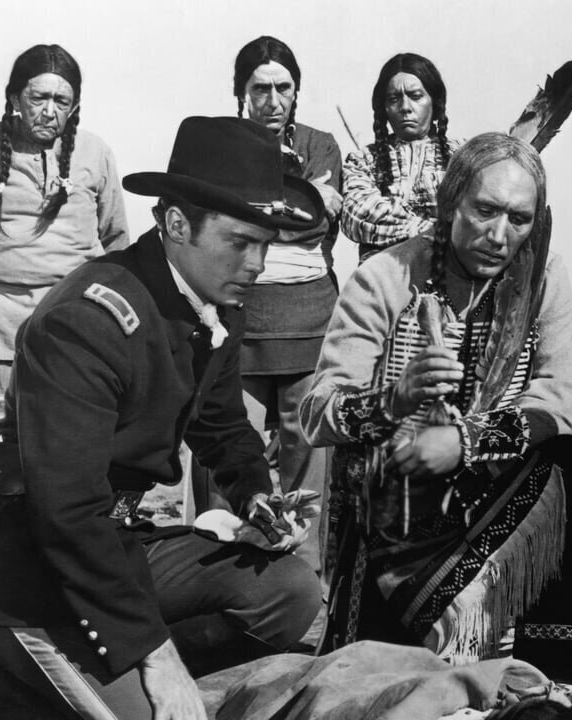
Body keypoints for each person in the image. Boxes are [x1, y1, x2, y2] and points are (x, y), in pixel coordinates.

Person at [0, 118, 324, 720]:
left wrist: (257, 498)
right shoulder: (87, 320)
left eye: (266, 245)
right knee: (152, 713)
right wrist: (156, 657)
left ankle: (45, 686)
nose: (258, 263)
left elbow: (219, 424)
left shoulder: (214, 302)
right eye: (241, 242)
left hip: (114, 546)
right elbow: (67, 512)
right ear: (176, 225)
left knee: (289, 593)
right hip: (31, 574)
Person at [301, 132, 572, 664]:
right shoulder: (385, 277)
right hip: (395, 515)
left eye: (519, 219)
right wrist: (393, 401)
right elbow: (318, 413)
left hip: (497, 504)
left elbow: (559, 399)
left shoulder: (543, 278)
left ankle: (546, 666)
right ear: (450, 201)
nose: (499, 235)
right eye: (484, 210)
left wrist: (465, 441)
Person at [0, 44, 129, 521]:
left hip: (74, 331)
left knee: (71, 453)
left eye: (62, 100)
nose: (49, 110)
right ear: (15, 98)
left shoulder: (95, 154)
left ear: (75, 106)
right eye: (39, 98)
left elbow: (118, 246)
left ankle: (63, 560)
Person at [229, 36, 343, 576]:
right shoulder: (223, 144)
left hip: (309, 315)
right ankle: (226, 572)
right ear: (241, 92)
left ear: (297, 91)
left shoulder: (321, 145)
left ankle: (303, 578)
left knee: (307, 451)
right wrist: (299, 201)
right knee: (235, 448)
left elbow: (318, 223)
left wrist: (259, 209)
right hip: (240, 315)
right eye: (260, 88)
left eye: (283, 87)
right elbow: (227, 224)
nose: (272, 100)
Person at [341, 52, 461, 261]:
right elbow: (357, 214)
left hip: (447, 270)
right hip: (382, 273)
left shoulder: (461, 156)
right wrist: (428, 230)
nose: (405, 107)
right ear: (384, 108)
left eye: (416, 96)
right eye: (394, 99)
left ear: (434, 102)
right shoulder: (364, 160)